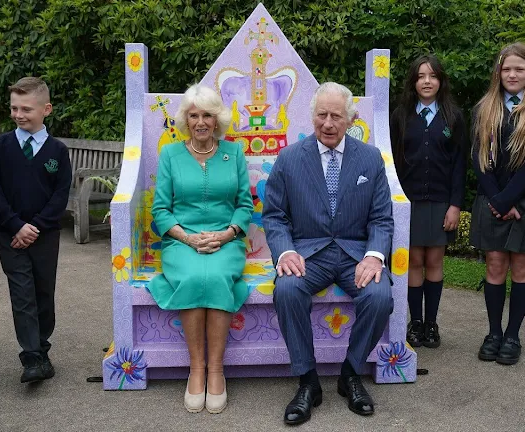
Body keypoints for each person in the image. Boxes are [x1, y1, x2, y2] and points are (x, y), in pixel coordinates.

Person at [262, 82, 394, 424]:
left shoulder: (370, 158)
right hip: (309, 253)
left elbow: (382, 217)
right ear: (313, 116)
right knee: (287, 289)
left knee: (380, 296)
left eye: (337, 115)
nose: (328, 123)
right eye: (322, 115)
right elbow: (275, 215)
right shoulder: (290, 158)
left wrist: (374, 256)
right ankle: (308, 382)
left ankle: (350, 374)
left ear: (351, 119)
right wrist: (285, 252)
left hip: (355, 255)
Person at [150, 84, 253, 414]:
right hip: (182, 241)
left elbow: (244, 205)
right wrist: (187, 237)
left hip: (226, 240)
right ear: (186, 120)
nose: (200, 122)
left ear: (217, 119)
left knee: (218, 276)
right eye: (193, 115)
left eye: (207, 115)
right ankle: (196, 370)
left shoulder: (234, 153)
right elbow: (161, 210)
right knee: (195, 277)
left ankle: (216, 370)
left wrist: (225, 235)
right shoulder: (170, 155)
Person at [470, 42, 525, 365]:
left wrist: (509, 199)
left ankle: (513, 336)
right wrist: (497, 199)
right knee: (494, 265)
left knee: (522, 269)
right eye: (506, 69)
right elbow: (478, 160)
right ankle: (493, 333)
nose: (511, 74)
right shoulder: (484, 109)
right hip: (493, 200)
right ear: (498, 72)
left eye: (519, 68)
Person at [0, 77, 72, 383]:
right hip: (8, 234)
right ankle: (31, 358)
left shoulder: (57, 151)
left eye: (26, 108)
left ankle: (42, 348)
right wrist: (16, 225)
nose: (18, 114)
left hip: (44, 235)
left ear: (45, 109)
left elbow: (60, 194)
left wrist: (34, 226)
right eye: (14, 108)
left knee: (43, 291)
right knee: (22, 293)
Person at [390, 55, 466, 349]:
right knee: (413, 263)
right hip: (408, 203)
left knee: (434, 261)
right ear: (413, 81)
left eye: (432, 76)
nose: (426, 81)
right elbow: (393, 161)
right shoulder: (400, 116)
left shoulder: (453, 117)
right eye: (421, 76)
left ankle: (432, 324)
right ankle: (415, 322)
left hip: (440, 203)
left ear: (441, 81)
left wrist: (455, 205)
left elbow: (459, 164)